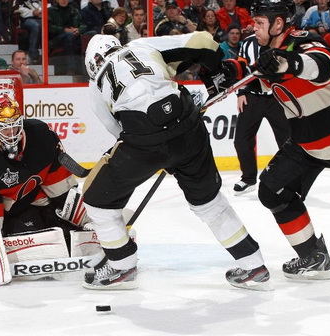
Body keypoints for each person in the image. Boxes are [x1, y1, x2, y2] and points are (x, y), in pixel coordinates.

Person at [81, 33, 273, 291]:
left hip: (144, 143)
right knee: (209, 203)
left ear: (91, 64)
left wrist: (157, 151)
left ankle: (121, 266)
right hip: (189, 128)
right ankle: (253, 264)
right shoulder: (140, 46)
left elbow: (117, 130)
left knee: (97, 199)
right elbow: (204, 42)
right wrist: (215, 73)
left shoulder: (95, 85)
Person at [251, 0, 330, 280]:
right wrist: (231, 73)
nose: (253, 27)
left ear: (278, 23)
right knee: (273, 191)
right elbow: (262, 80)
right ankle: (313, 256)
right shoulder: (269, 53)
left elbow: (324, 67)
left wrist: (288, 62)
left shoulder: (302, 41)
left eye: (259, 22)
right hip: (308, 145)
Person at [0, 94, 96, 286]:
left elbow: (60, 187)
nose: (12, 133)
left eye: (15, 126)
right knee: (43, 238)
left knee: (65, 232)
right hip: (12, 212)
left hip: (39, 199)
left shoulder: (41, 134)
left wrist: (87, 220)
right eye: (5, 130)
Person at [233, 34, 290, 195]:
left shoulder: (282, 40)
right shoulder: (248, 43)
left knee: (287, 141)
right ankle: (248, 179)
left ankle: (289, 179)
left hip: (277, 97)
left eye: (260, 22)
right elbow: (241, 69)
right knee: (242, 140)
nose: (257, 27)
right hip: (251, 97)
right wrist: (240, 92)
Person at [48, 0, 87, 75]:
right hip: (56, 38)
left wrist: (78, 30)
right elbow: (49, 27)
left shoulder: (74, 10)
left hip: (74, 35)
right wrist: (64, 30)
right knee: (69, 36)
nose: (64, 1)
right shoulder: (51, 11)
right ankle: (71, 68)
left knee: (90, 35)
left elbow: (84, 24)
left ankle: (87, 70)